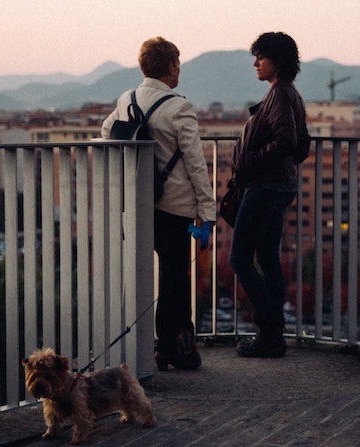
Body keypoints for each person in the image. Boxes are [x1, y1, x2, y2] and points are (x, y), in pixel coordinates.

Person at [101, 37, 216, 370]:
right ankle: (173, 346)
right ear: (170, 67)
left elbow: (108, 129)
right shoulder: (179, 106)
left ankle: (153, 347)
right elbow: (196, 163)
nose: (179, 69)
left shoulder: (127, 99)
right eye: (178, 64)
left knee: (139, 274)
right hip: (173, 207)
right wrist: (207, 212)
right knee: (174, 279)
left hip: (138, 201)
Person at [227, 32, 309, 358]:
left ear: (277, 60)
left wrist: (250, 162)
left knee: (239, 259)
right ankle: (273, 333)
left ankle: (270, 331)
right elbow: (300, 144)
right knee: (268, 259)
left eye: (260, 56)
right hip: (279, 185)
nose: (255, 63)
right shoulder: (289, 94)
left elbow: (288, 142)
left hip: (266, 187)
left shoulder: (280, 94)